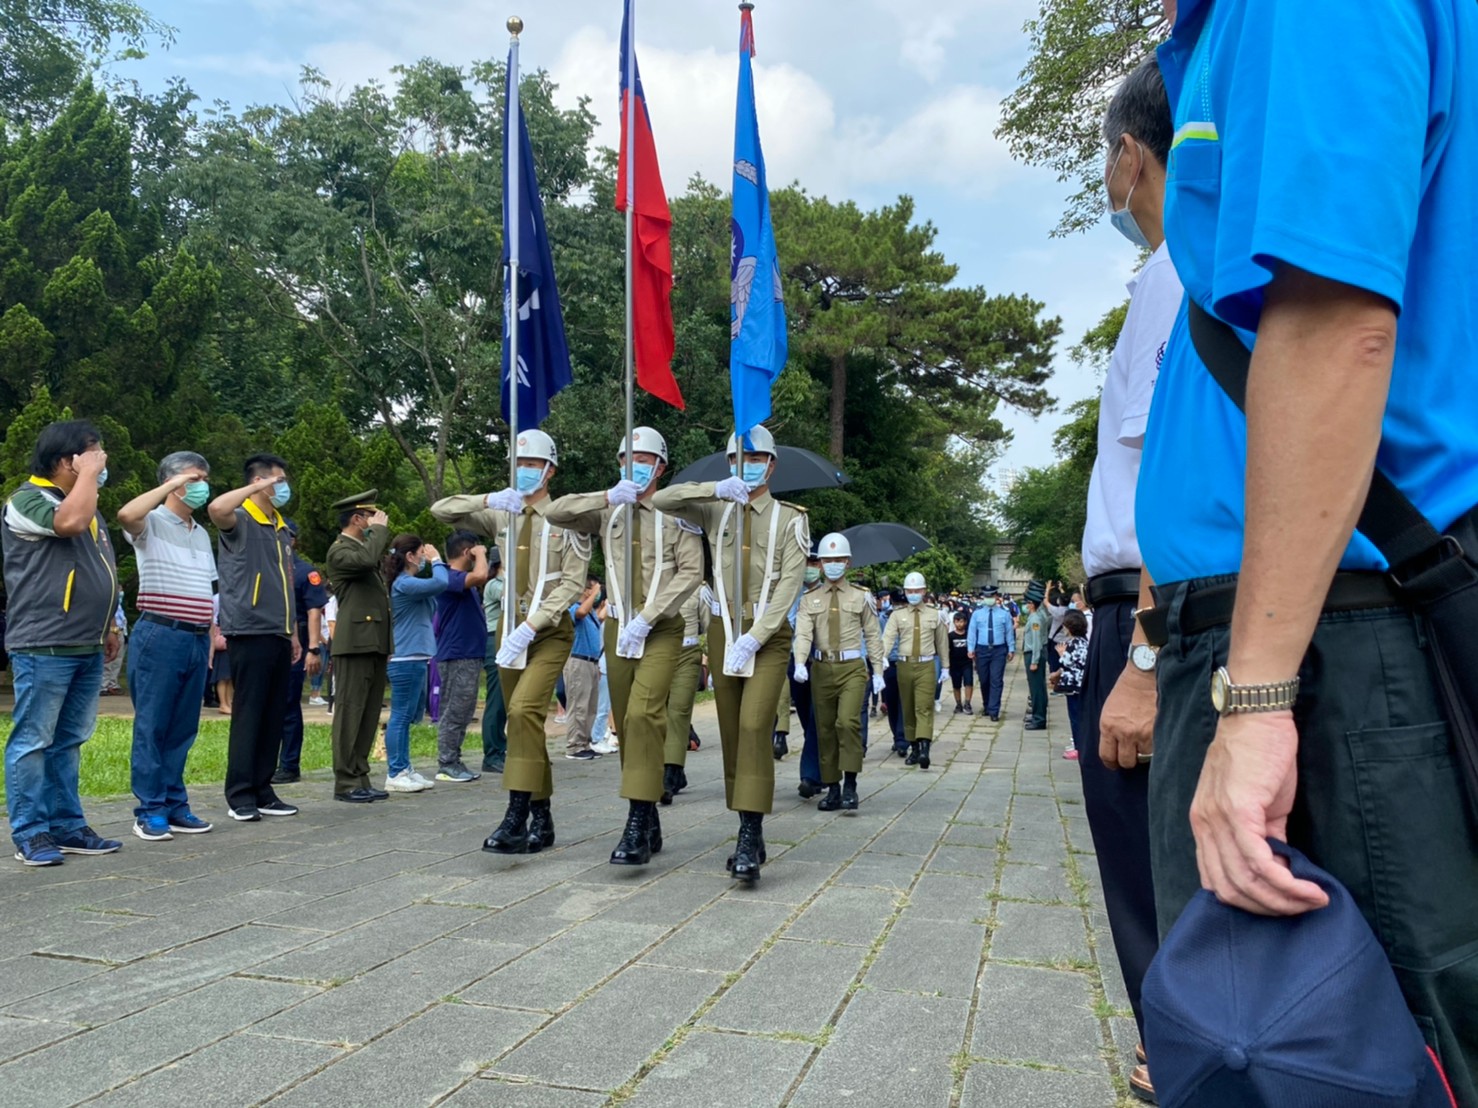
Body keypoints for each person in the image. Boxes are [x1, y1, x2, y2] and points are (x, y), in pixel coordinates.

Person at [1145, 1, 1478, 1100]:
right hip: (1321, 627)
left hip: (1337, 636)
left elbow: (1336, 322)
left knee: (1344, 1054)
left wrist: (1253, 701)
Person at [1080, 54, 1182, 1103]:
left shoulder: (1171, 276)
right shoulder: (1160, 275)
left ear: (1128, 153)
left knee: (1148, 867)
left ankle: (1177, 1047)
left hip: (1149, 612)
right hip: (1140, 612)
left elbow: (1164, 477)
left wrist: (1146, 654)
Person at [651, 424, 809, 883]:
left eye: (758, 458)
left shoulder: (790, 518)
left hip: (767, 634)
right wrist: (716, 488)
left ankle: (750, 830)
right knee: (730, 730)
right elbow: (663, 500)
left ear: (772, 464)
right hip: (722, 631)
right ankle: (747, 823)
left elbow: (787, 588)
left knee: (755, 724)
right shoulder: (715, 509)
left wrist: (756, 636)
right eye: (740, 459)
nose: (750, 465)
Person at [542, 426, 705, 866]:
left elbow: (692, 571)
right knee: (629, 727)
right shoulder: (608, 511)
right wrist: (607, 496)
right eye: (628, 458)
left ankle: (634, 818)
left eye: (646, 458)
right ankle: (647, 809)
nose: (636, 464)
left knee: (644, 711)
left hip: (660, 628)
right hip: (617, 629)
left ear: (661, 467)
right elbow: (555, 512)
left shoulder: (676, 515)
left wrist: (650, 615)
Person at [432, 429, 590, 855]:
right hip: (508, 637)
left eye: (533, 465)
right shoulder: (503, 515)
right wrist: (486, 500)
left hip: (548, 633)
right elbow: (441, 510)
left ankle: (516, 814)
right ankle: (543, 815)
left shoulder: (566, 519)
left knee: (522, 711)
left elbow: (572, 583)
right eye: (519, 465)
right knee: (523, 725)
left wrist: (532, 624)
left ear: (550, 470)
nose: (524, 472)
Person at [2, 420, 123, 865]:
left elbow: (103, 571)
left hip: (86, 644)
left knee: (69, 740)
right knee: (33, 740)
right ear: (66, 459)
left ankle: (67, 825)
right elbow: (68, 523)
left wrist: (109, 625)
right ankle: (30, 832)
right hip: (44, 644)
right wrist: (89, 474)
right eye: (93, 454)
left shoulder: (86, 502)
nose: (101, 462)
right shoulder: (26, 499)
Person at [117, 451, 218, 842]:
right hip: (159, 634)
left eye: (204, 478)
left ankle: (176, 804)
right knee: (153, 725)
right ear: (171, 482)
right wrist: (170, 487)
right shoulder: (153, 523)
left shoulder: (201, 533)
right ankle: (150, 809)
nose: (201, 485)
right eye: (193, 478)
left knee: (182, 728)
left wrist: (210, 635)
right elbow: (127, 515)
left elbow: (209, 592)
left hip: (195, 636)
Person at [209, 453, 301, 822]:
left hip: (279, 631)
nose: (283, 488)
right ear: (260, 482)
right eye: (277, 481)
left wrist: (292, 631)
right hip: (249, 629)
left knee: (273, 714)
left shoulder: (280, 526)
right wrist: (254, 488)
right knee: (249, 714)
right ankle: (241, 793)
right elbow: (217, 508)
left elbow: (285, 587)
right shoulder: (242, 518)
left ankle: (264, 788)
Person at [792, 533, 884, 812]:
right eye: (827, 560)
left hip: (852, 668)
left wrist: (877, 669)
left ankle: (851, 785)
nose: (832, 564)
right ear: (820, 564)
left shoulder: (862, 596)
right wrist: (799, 662)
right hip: (821, 668)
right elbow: (804, 633)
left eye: (838, 560)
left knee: (847, 723)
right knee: (825, 729)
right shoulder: (810, 598)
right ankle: (832, 789)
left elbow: (872, 634)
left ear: (848, 563)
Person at [322, 492, 392, 803]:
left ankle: (360, 776)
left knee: (368, 712)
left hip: (372, 640)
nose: (375, 521)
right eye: (370, 516)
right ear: (357, 518)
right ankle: (345, 781)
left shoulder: (360, 548)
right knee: (350, 712)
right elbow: (366, 560)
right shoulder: (341, 551)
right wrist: (379, 531)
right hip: (354, 642)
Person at [384, 533, 446, 792]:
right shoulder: (404, 584)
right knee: (400, 716)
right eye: (422, 552)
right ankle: (395, 772)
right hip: (405, 657)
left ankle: (404, 767)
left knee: (408, 715)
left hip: (415, 656)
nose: (425, 556)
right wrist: (438, 560)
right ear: (409, 556)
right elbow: (442, 582)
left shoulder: (409, 583)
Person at [432, 529, 492, 782]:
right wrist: (482, 554)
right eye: (476, 551)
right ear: (468, 552)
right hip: (458, 653)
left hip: (466, 652)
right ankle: (447, 762)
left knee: (463, 709)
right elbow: (481, 575)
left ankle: (453, 758)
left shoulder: (457, 578)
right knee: (455, 710)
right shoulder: (449, 577)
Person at [273, 521, 329, 784]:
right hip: (271, 637)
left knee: (288, 703)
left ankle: (289, 764)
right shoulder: (268, 567)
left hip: (298, 639)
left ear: (292, 540)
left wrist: (313, 648)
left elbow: (314, 610)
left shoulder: (305, 572)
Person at [881, 571, 950, 769]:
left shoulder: (935, 614)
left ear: (924, 591)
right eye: (909, 591)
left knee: (924, 706)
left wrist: (945, 666)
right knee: (908, 707)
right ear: (905, 592)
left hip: (926, 664)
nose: (913, 594)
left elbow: (942, 642)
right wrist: (882, 658)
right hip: (904, 664)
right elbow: (887, 638)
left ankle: (925, 747)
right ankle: (914, 747)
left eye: (917, 590)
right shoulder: (897, 615)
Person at [662, 588, 709, 805]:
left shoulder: (699, 591)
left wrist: (709, 657)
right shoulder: (654, 583)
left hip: (688, 653)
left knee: (678, 710)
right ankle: (675, 771)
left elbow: (710, 625)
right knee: (659, 712)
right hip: (659, 653)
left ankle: (670, 775)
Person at [559, 576, 604, 763]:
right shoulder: (573, 607)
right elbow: (581, 613)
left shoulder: (592, 611)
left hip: (592, 662)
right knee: (578, 706)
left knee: (589, 708)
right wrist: (593, 593)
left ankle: (585, 743)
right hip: (578, 661)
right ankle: (574, 745)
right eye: (593, 589)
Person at [479, 547, 508, 774]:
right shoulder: (494, 585)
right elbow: (514, 597)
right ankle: (492, 754)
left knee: (507, 702)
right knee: (496, 701)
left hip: (507, 641)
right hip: (494, 640)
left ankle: (502, 749)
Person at [967, 587, 1015, 722]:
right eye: (986, 595)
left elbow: (1009, 632)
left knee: (996, 680)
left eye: (991, 595)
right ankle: (987, 705)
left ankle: (994, 710)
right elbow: (972, 632)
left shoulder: (1004, 614)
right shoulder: (977, 614)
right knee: (984, 680)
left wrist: (1011, 649)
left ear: (996, 596)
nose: (989, 598)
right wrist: (970, 648)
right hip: (981, 650)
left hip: (998, 650)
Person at [1051, 609, 1090, 762]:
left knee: (1076, 717)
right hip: (1077, 685)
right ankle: (1079, 744)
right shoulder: (1083, 642)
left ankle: (1079, 747)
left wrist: (1062, 654)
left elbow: (1072, 662)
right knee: (1076, 716)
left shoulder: (1075, 644)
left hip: (1075, 686)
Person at [1020, 581, 1049, 730]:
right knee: (1038, 687)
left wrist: (1034, 661)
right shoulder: (1037, 615)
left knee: (1037, 689)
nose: (1025, 606)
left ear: (1031, 604)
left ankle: (1039, 719)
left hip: (1033, 653)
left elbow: (1037, 641)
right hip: (1035, 653)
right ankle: (1039, 715)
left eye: (1027, 603)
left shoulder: (1035, 619)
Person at [947, 610, 973, 715]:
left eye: (962, 621)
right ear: (954, 622)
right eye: (957, 622)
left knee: (968, 683)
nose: (959, 624)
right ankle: (958, 704)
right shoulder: (950, 636)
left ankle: (967, 703)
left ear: (965, 622)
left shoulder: (969, 635)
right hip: (954, 663)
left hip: (967, 663)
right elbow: (947, 649)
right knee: (956, 685)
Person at [100, 592, 126, 694]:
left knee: (117, 660)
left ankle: (112, 684)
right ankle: (103, 686)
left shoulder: (118, 605)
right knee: (108, 660)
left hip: (119, 629)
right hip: (110, 630)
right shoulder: (107, 600)